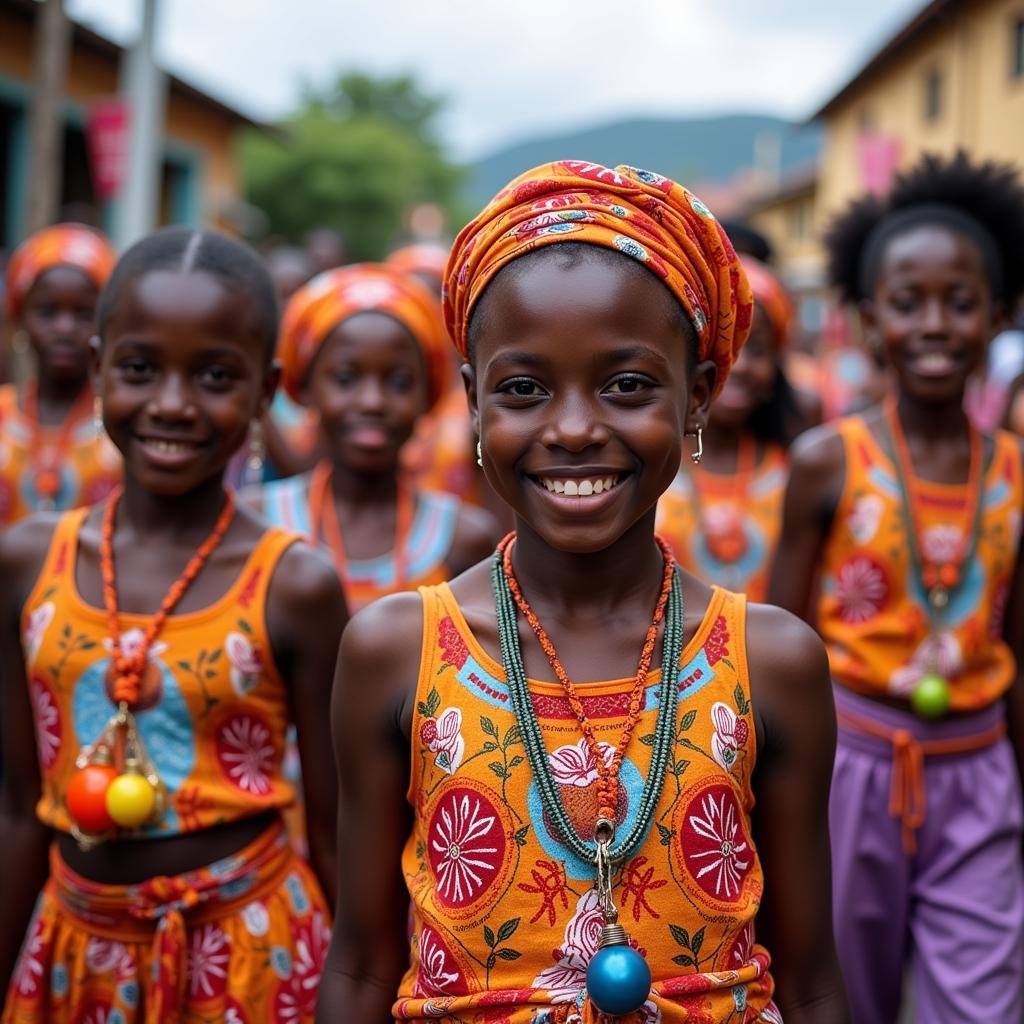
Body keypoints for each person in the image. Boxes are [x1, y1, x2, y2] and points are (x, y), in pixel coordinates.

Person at [317, 160, 849, 1023]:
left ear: (699, 398)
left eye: (627, 385)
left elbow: (814, 974)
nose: (572, 428)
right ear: (474, 406)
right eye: (524, 389)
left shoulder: (773, 662)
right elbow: (361, 965)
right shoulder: (395, 653)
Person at [0, 227, 347, 1023]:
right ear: (96, 370)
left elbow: (335, 832)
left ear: (267, 392)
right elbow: (19, 806)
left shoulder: (296, 584)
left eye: (217, 376)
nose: (172, 403)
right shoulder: (27, 563)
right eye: (139, 369)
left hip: (255, 958)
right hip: (74, 955)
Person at [768, 152, 1024, 1024]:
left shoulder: (1019, 473)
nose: (935, 326)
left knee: (982, 1004)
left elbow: (1018, 642)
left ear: (1000, 315)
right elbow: (775, 641)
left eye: (961, 304)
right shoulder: (827, 460)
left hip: (980, 769)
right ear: (869, 319)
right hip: (849, 766)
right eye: (908, 304)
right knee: (846, 994)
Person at [255, 263, 498, 613]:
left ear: (428, 394)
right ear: (307, 386)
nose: (372, 402)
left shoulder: (462, 538)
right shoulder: (260, 524)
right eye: (345, 378)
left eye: (399, 382)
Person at [656, 257, 802, 600]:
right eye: (720, 347)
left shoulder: (796, 473)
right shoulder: (650, 466)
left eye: (757, 349)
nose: (739, 365)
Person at [1, 224, 121, 526]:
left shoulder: (120, 422)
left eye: (83, 313)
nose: (64, 328)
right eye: (47, 312)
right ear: (20, 317)